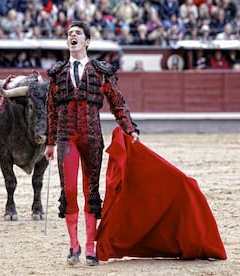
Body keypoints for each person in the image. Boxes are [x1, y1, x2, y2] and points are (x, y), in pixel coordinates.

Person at [44, 21, 139, 267]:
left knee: (91, 191)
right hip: (66, 139)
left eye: (77, 34)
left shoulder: (100, 72)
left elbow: (117, 102)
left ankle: (90, 246)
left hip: (92, 137)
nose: (72, 36)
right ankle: (73, 244)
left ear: (87, 42)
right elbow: (51, 110)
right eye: (69, 34)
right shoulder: (57, 73)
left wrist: (129, 129)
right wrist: (50, 142)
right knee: (69, 192)